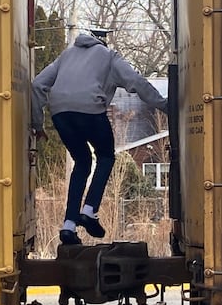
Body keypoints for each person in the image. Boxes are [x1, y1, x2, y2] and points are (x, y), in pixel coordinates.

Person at [32, 30, 168, 245]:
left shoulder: (65, 56)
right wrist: (164, 105)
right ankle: (89, 210)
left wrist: (37, 123)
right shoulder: (109, 56)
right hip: (90, 111)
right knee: (105, 157)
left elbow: (38, 84)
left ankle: (68, 225)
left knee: (82, 162)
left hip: (60, 113)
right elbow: (136, 81)